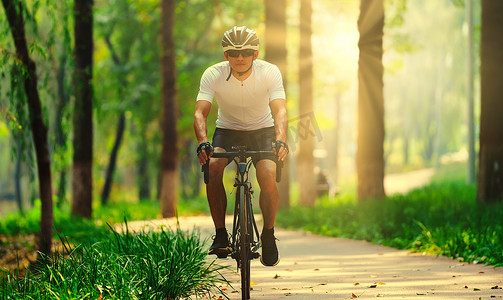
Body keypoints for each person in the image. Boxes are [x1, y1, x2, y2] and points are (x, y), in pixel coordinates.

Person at [193, 26, 288, 267]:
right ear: (226, 56)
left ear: (255, 54)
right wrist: (204, 141)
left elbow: (280, 110)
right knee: (213, 168)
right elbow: (200, 113)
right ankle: (221, 235)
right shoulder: (212, 74)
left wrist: (280, 138)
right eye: (234, 53)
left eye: (246, 52)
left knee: (267, 175)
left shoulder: (270, 72)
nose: (240, 57)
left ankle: (268, 234)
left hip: (263, 131)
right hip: (228, 131)